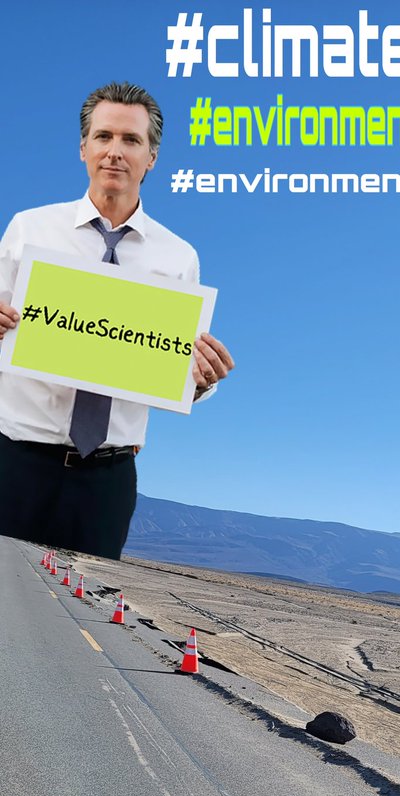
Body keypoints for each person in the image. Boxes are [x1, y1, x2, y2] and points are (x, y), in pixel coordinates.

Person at [0, 81, 234, 560]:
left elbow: (171, 369)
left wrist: (201, 381)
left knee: (82, 617)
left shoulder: (178, 258)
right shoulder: (30, 230)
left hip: (107, 481)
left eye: (131, 140)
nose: (115, 152)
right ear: (83, 148)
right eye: (104, 137)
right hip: (16, 460)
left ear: (152, 157)